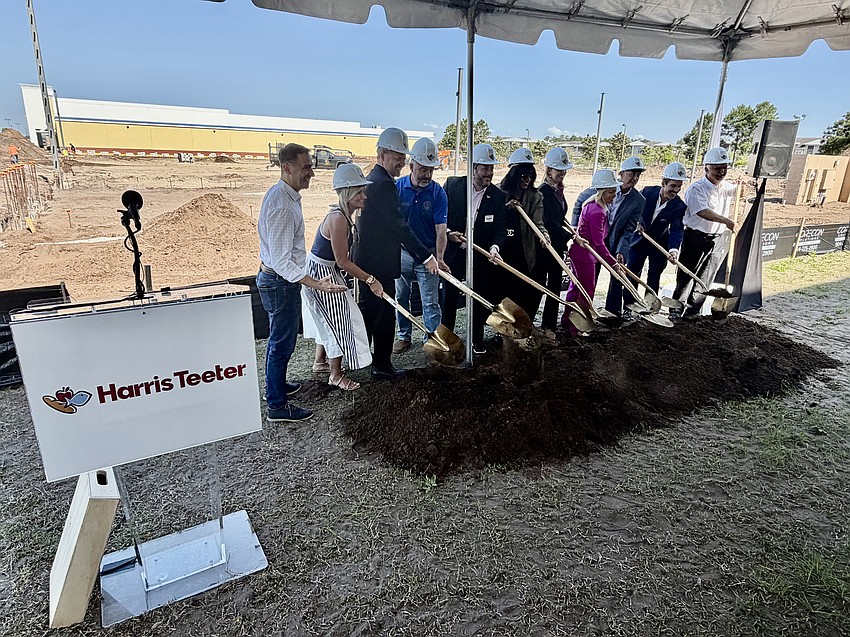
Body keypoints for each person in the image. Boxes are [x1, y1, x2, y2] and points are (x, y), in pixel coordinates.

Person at [257, 143, 348, 423]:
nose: (311, 172)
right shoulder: (283, 206)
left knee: (280, 341)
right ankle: (276, 405)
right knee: (281, 343)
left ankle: (277, 387)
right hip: (279, 282)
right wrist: (316, 283)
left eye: (310, 165)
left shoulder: (287, 195)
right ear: (287, 168)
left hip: (277, 279)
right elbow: (283, 262)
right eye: (306, 166)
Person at [353, 127, 438, 380]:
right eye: (396, 155)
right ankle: (381, 366)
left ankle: (367, 361)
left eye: (403, 155)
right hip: (377, 262)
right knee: (383, 316)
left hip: (369, 260)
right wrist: (425, 256)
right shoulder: (384, 185)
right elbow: (399, 226)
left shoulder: (376, 179)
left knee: (373, 313)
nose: (401, 160)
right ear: (381, 155)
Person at [302, 164, 378, 391]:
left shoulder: (345, 215)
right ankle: (336, 374)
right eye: (359, 192)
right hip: (321, 274)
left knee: (327, 316)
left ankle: (320, 362)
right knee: (339, 319)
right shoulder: (338, 219)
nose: (364, 196)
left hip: (325, 269)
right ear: (347, 193)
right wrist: (370, 280)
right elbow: (343, 261)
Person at [441, 143, 506, 354]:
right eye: (485, 168)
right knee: (449, 298)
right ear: (474, 167)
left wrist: (495, 248)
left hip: (480, 255)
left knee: (479, 298)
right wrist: (450, 233)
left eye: (491, 168)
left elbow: (500, 229)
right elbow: (440, 218)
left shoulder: (497, 196)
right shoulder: (452, 186)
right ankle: (446, 340)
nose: (490, 173)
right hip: (454, 253)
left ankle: (476, 339)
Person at [393, 137, 449, 354]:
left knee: (430, 300)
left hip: (428, 255)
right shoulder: (397, 188)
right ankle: (403, 335)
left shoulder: (437, 193)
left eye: (431, 170)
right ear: (411, 166)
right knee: (401, 296)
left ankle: (432, 339)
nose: (427, 175)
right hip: (403, 253)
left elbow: (441, 229)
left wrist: (440, 258)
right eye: (423, 170)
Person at [571, 156, 646, 316]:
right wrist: (576, 228)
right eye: (632, 173)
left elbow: (629, 229)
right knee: (588, 280)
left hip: (614, 240)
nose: (635, 178)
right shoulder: (600, 188)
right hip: (591, 241)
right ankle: (583, 313)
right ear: (621, 173)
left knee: (617, 274)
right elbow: (579, 203)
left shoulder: (638, 200)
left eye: (638, 175)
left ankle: (612, 311)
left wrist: (621, 250)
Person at [673, 147, 737, 319]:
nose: (721, 172)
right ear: (707, 167)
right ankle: (676, 310)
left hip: (717, 239)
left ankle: (693, 312)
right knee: (687, 275)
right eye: (717, 168)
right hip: (696, 237)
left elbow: (739, 190)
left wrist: (745, 183)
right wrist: (726, 221)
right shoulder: (697, 188)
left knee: (706, 278)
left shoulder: (726, 187)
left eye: (724, 168)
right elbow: (702, 211)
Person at [622, 162, 688, 318]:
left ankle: (650, 307)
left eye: (679, 186)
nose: (676, 190)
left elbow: (677, 229)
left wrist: (673, 249)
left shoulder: (679, 206)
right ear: (663, 183)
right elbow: (634, 210)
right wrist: (637, 223)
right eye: (673, 186)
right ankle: (628, 307)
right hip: (638, 241)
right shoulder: (647, 192)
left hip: (659, 245)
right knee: (632, 274)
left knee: (654, 276)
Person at [561, 169, 623, 334]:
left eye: (614, 192)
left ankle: (567, 321)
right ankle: (577, 327)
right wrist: (613, 263)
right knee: (587, 290)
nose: (614, 196)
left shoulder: (591, 205)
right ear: (602, 192)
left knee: (575, 288)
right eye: (611, 192)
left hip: (578, 253)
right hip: (586, 255)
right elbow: (598, 242)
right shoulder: (597, 211)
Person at [499, 147, 549, 320]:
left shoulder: (536, 196)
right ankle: (504, 327)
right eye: (523, 176)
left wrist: (543, 235)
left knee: (523, 289)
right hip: (503, 249)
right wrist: (507, 209)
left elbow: (538, 222)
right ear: (514, 174)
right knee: (503, 288)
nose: (527, 180)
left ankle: (522, 324)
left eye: (530, 176)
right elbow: (495, 218)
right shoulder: (499, 192)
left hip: (524, 250)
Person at [537, 147, 574, 333]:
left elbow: (559, 216)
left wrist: (570, 230)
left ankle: (549, 324)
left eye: (564, 169)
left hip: (558, 245)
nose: (562, 173)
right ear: (549, 170)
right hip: (546, 246)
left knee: (555, 285)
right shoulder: (543, 191)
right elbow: (549, 222)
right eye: (559, 169)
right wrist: (570, 236)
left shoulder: (558, 190)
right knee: (542, 286)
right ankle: (540, 324)